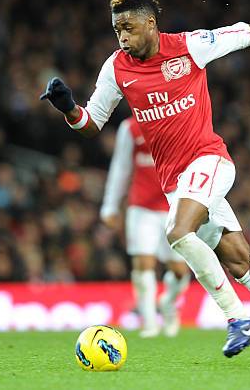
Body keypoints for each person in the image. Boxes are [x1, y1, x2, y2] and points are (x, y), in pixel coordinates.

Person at [41, 0, 250, 369]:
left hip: (209, 162)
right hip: (177, 185)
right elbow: (91, 123)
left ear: (150, 23)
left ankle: (238, 320)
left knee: (177, 232)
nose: (122, 37)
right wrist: (68, 107)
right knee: (242, 265)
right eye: (117, 30)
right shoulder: (116, 68)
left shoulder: (191, 46)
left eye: (128, 28)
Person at [100, 116, 190, 337]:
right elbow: (121, 167)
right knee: (143, 263)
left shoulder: (178, 122)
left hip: (173, 206)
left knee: (179, 271)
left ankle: (168, 303)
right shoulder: (130, 128)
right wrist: (110, 206)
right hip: (141, 208)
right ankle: (149, 322)